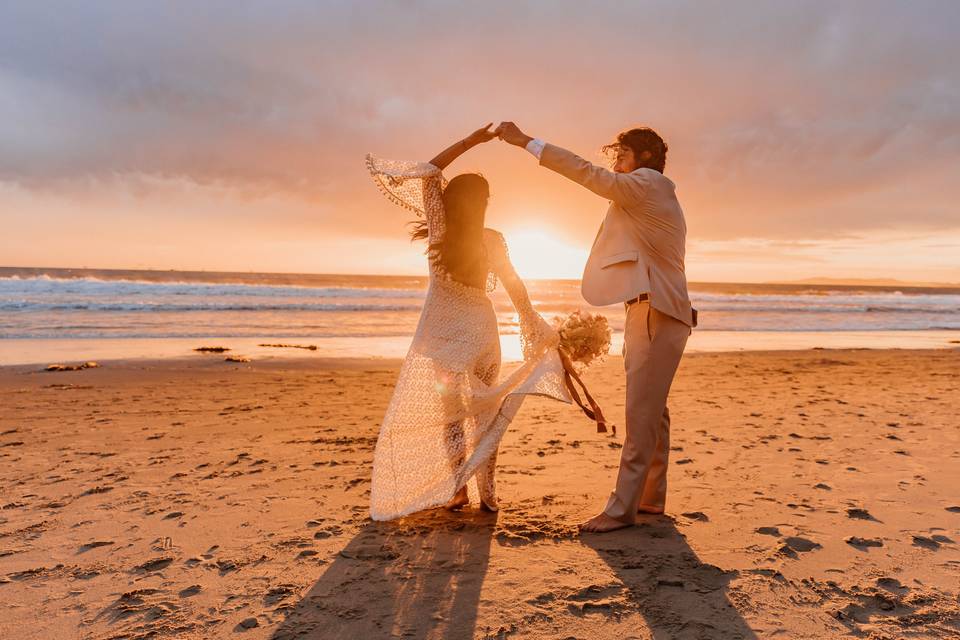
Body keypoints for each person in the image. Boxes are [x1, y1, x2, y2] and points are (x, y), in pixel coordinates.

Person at [365, 124, 573, 521]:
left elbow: (427, 170)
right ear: (483, 204)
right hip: (482, 331)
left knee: (453, 415)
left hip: (442, 334)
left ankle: (458, 491)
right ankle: (489, 495)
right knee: (486, 414)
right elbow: (515, 288)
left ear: (448, 198)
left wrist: (471, 141)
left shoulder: (440, 231)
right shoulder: (492, 240)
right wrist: (534, 326)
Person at [496, 122, 696, 533]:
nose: (616, 163)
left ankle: (621, 510)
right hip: (657, 311)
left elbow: (587, 173)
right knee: (653, 411)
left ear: (643, 158)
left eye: (622, 154)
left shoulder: (646, 184)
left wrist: (526, 142)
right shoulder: (653, 193)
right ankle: (650, 499)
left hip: (655, 311)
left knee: (641, 412)